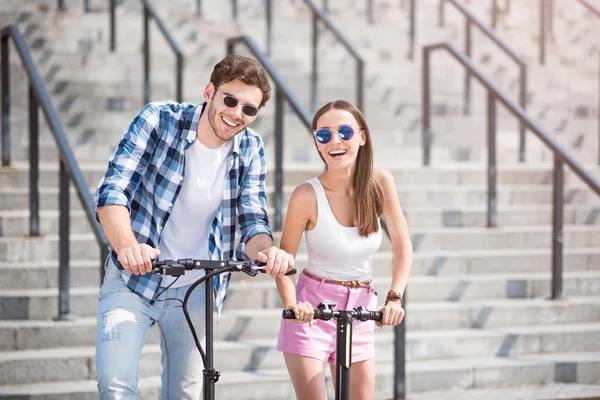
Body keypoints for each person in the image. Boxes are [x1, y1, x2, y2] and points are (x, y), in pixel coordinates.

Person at [94, 55, 294, 399]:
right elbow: (113, 189)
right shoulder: (159, 120)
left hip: (195, 288)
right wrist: (127, 246)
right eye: (230, 100)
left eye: (250, 109)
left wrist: (266, 251)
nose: (236, 114)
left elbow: (252, 219)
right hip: (133, 277)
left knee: (188, 394)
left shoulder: (251, 148)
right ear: (209, 92)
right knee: (115, 386)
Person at [275, 100, 413, 399]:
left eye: (345, 132)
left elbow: (403, 246)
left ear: (362, 137)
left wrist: (395, 297)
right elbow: (283, 260)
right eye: (324, 135)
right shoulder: (306, 195)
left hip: (361, 308)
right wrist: (292, 304)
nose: (334, 141)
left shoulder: (380, 183)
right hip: (312, 310)